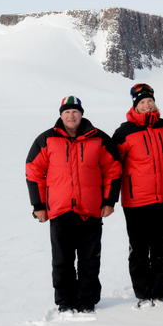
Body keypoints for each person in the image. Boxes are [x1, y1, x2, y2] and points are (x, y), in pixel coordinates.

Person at [25, 96, 122, 313]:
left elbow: (113, 169)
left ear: (81, 114)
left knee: (89, 260)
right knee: (62, 261)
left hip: (91, 210)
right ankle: (65, 301)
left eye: (75, 112)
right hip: (59, 211)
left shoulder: (98, 138)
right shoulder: (47, 139)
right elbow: (33, 172)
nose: (71, 116)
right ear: (61, 115)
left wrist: (109, 201)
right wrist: (38, 205)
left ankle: (87, 300)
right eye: (67, 112)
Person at [111, 83, 163, 308]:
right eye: (142, 102)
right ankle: (142, 294)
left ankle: (158, 294)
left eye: (150, 101)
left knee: (161, 250)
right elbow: (112, 167)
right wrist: (108, 199)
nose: (147, 105)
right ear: (135, 106)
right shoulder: (124, 132)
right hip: (136, 201)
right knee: (139, 250)